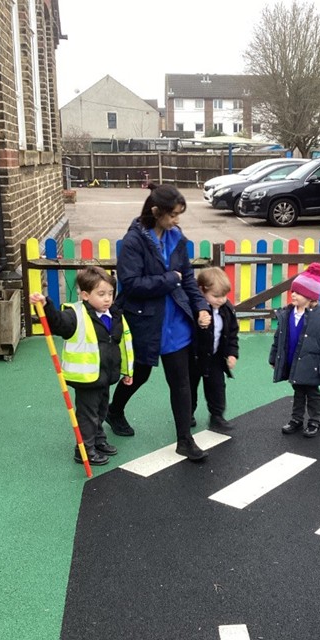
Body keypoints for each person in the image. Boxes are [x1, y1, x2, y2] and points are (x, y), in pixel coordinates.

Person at [106, 183, 212, 462]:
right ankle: (114, 410)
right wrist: (170, 279)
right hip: (145, 322)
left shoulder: (176, 237)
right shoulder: (133, 242)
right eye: (174, 214)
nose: (177, 220)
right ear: (156, 212)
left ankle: (185, 441)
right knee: (139, 374)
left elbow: (187, 277)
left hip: (175, 321)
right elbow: (130, 285)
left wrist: (200, 306)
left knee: (181, 381)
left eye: (179, 215)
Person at [29, 267, 134, 466]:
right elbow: (58, 324)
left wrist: (127, 371)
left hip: (105, 375)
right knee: (88, 414)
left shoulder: (114, 315)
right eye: (101, 294)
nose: (107, 299)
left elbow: (123, 344)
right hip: (86, 378)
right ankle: (84, 449)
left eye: (110, 294)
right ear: (85, 295)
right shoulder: (75, 314)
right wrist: (46, 305)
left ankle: (98, 440)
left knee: (102, 410)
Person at [269, 262, 320, 438]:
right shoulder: (287, 314)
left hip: (311, 364)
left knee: (312, 393)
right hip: (294, 361)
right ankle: (296, 419)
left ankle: (314, 421)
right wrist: (274, 357)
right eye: (293, 291)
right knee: (298, 391)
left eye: (298, 292)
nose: (294, 295)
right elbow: (279, 338)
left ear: (310, 296)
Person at [189, 267, 239, 433]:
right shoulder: (196, 308)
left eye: (224, 295)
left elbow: (232, 333)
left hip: (216, 357)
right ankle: (187, 414)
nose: (221, 300)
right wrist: (198, 323)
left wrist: (232, 353)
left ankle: (217, 417)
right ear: (202, 291)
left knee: (217, 387)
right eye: (216, 296)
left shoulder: (227, 309)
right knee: (189, 388)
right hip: (194, 357)